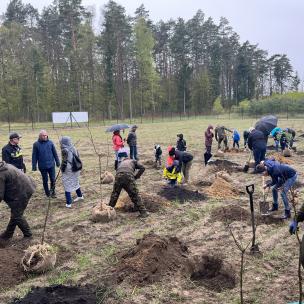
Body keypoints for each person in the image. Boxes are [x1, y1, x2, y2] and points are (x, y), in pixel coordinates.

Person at [0, 161, 36, 244]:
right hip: (26, 186)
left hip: (21, 192)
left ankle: (28, 235)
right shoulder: (4, 166)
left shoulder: (1, 174)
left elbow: (0, 195)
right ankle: (7, 235)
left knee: (17, 215)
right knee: (15, 213)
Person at [108, 151, 148, 218]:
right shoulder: (133, 161)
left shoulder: (120, 163)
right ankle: (143, 212)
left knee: (115, 194)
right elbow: (142, 168)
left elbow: (118, 170)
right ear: (129, 158)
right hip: (128, 176)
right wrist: (136, 177)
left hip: (118, 176)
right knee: (134, 193)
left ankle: (109, 209)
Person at [32, 130, 60, 198]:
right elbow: (34, 156)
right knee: (45, 180)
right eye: (43, 135)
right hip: (42, 166)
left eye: (45, 135)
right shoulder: (36, 144)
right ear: (40, 136)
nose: (45, 137)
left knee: (53, 179)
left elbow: (55, 153)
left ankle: (53, 192)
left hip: (51, 165)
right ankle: (47, 193)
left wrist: (57, 162)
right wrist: (34, 166)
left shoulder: (50, 143)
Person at [60, 136, 84, 208]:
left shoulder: (64, 150)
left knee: (67, 184)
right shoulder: (74, 148)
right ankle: (80, 196)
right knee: (75, 181)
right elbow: (78, 157)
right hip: (76, 168)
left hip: (69, 169)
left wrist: (62, 169)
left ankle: (68, 203)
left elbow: (64, 162)